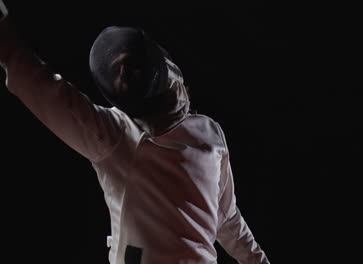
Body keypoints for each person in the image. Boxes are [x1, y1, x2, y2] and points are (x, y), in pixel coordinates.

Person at [0, 2, 270, 264]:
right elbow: (44, 89)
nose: (124, 73)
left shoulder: (210, 133)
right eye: (116, 71)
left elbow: (227, 218)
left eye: (129, 63)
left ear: (157, 65)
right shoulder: (116, 133)